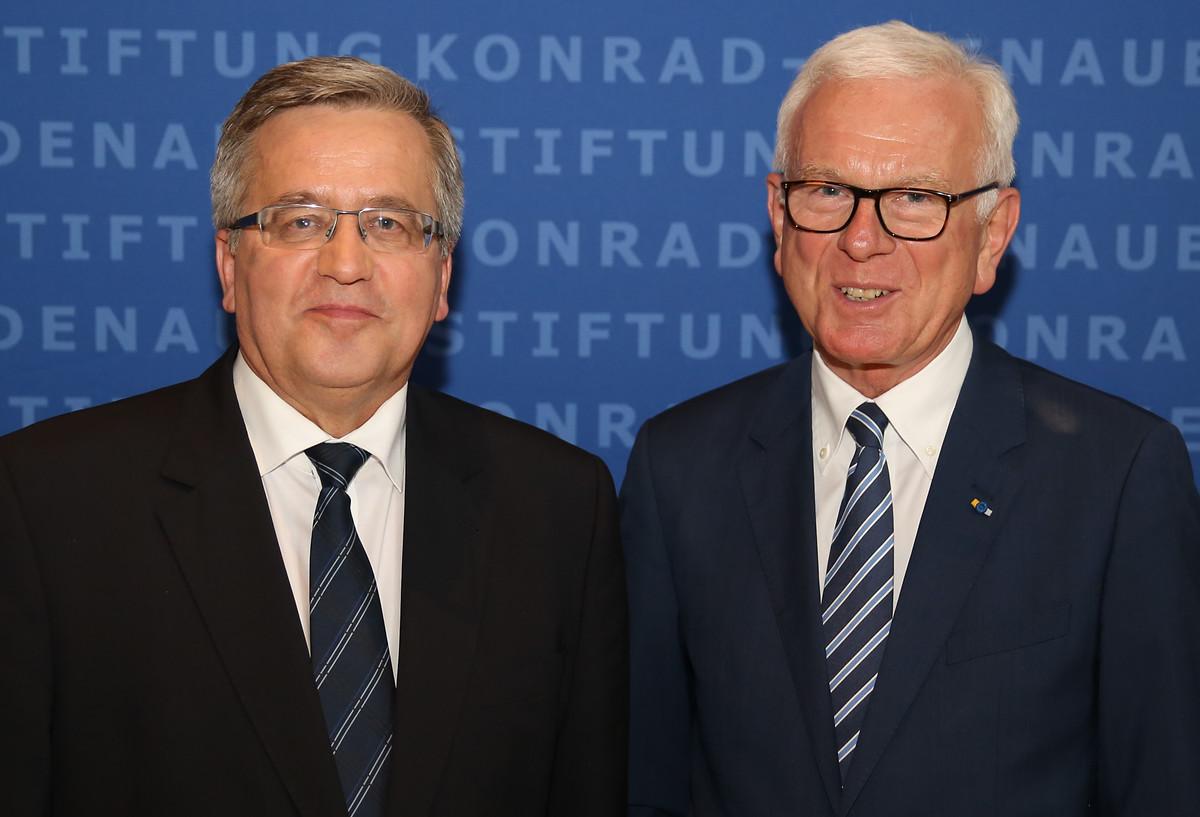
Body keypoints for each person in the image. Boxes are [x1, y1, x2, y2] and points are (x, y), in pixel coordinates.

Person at [0, 56, 626, 817]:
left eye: (389, 223)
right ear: (229, 264)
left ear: (441, 277)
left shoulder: (559, 507)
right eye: (301, 220)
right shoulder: (44, 501)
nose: (346, 264)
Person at [621, 21, 1200, 817]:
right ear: (780, 216)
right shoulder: (679, 466)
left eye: (915, 198)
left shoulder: (1117, 476)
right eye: (828, 190)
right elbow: (642, 785)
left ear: (993, 234)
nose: (862, 240)